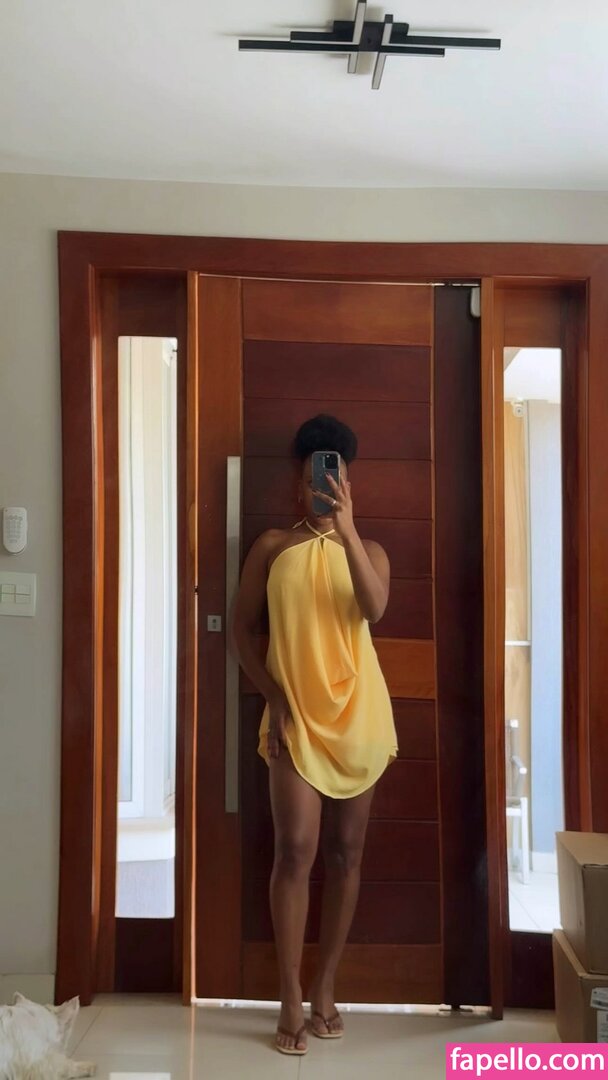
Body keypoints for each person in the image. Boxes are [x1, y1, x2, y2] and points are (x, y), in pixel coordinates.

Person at [232, 414, 398, 1055]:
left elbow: (374, 608)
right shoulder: (273, 547)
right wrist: (274, 697)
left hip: (360, 717)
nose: (322, 488)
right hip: (294, 717)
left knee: (347, 854)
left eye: (333, 478)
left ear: (347, 483)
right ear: (297, 484)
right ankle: (290, 993)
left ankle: (326, 986)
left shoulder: (371, 551)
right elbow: (242, 632)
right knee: (295, 850)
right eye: (313, 478)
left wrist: (347, 529)